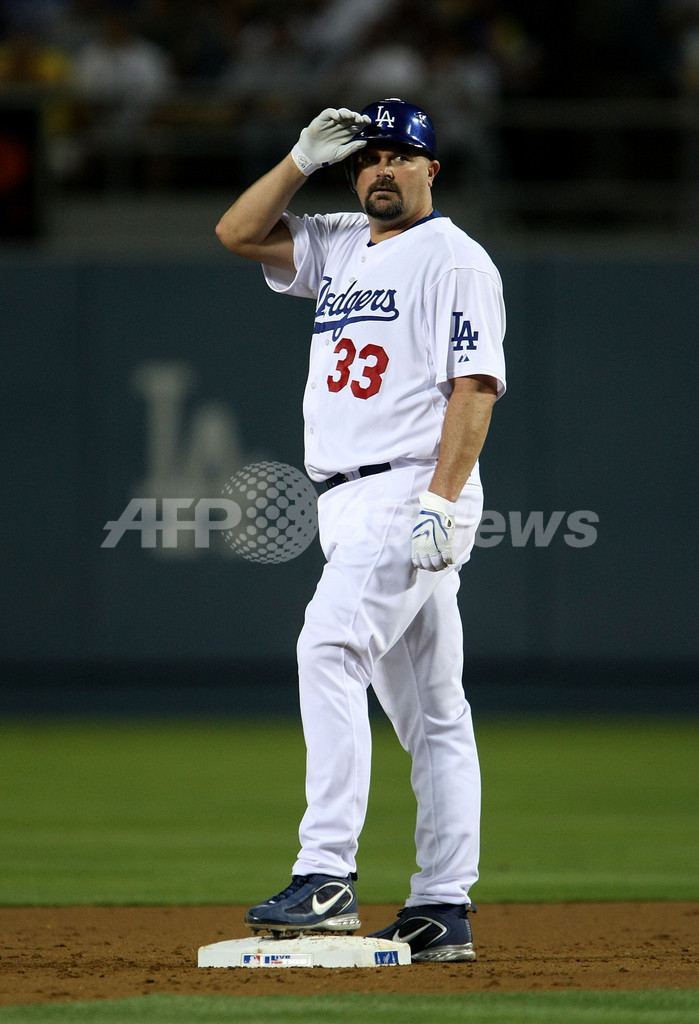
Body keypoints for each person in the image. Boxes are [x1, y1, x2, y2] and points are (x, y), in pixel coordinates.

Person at [216, 98, 506, 963]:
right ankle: (442, 906)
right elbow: (236, 232)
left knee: (328, 646)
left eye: (398, 155)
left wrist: (441, 500)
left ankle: (325, 873)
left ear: (430, 169)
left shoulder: (455, 258)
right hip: (346, 500)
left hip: (410, 487)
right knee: (434, 713)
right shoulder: (341, 240)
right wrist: (299, 160)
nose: (381, 168)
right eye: (367, 157)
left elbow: (474, 386)